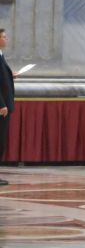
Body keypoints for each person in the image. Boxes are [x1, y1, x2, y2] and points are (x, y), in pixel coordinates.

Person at [0, 28, 15, 186]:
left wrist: (11, 76)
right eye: (4, 37)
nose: (6, 39)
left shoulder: (1, 55)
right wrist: (1, 104)